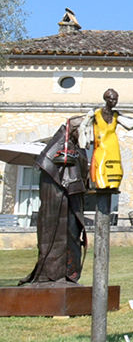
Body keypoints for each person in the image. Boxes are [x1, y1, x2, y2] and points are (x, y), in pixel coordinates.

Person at [19, 118, 89, 284]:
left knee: (72, 236)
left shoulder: (77, 148)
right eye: (84, 131)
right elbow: (54, 177)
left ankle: (68, 274)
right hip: (58, 204)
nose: (87, 135)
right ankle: (53, 274)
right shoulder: (57, 149)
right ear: (73, 130)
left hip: (71, 203)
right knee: (57, 235)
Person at [78, 89, 133, 190]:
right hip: (101, 145)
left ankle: (113, 185)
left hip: (112, 145)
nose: (115, 102)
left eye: (116, 100)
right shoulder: (96, 113)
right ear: (106, 99)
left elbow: (131, 124)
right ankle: (101, 185)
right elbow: (84, 125)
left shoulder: (116, 115)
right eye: (112, 99)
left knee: (115, 167)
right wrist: (85, 141)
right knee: (101, 166)